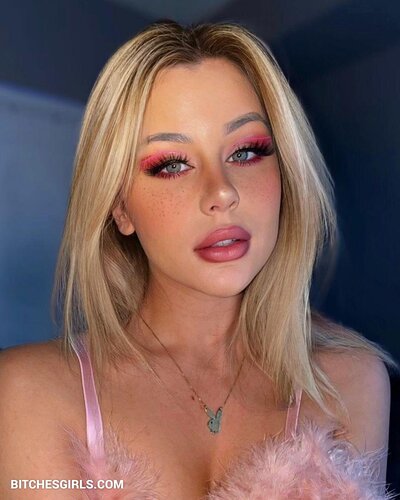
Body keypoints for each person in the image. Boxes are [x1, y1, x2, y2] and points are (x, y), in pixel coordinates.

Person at [0, 20, 395, 499]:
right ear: (120, 207)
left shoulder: (351, 384)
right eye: (171, 164)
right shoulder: (26, 393)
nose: (222, 192)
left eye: (246, 152)